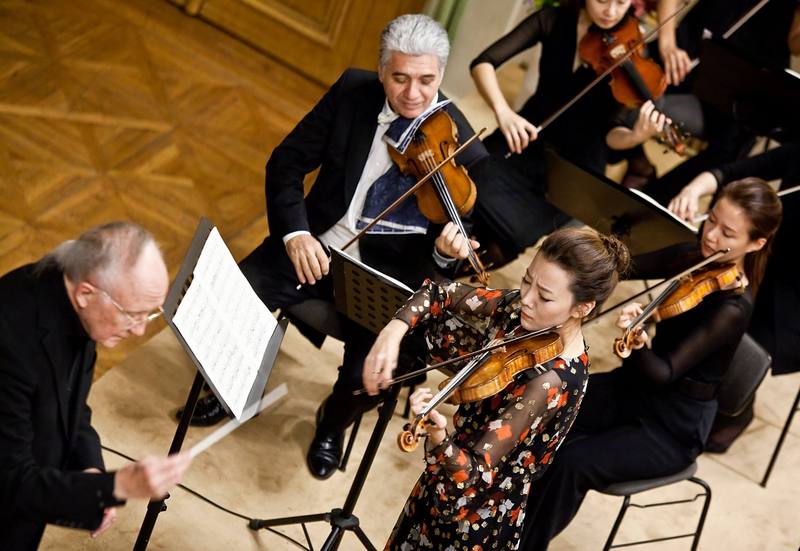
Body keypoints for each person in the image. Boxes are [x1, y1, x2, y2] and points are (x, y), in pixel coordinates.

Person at [182, 14, 491, 481]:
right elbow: (285, 163)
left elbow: (448, 250)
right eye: (400, 78)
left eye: (427, 81)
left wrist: (448, 253)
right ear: (382, 69)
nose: (412, 94)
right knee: (234, 294)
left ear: (441, 75)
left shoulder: (460, 142)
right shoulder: (353, 93)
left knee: (374, 374)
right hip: (316, 245)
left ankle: (332, 423)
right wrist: (295, 234)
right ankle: (231, 387)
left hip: (385, 280)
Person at [520, 178, 782, 549]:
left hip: (671, 427)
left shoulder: (733, 307)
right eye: (711, 220)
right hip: (632, 390)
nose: (710, 236)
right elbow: (629, 267)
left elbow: (664, 373)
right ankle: (501, 519)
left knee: (572, 462)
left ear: (755, 244)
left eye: (728, 233)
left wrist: (640, 343)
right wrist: (578, 273)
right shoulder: (696, 255)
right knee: (545, 408)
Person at [364, 227, 630, 549]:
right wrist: (393, 331)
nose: (527, 299)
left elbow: (474, 474)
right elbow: (441, 294)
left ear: (582, 308)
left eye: (544, 296)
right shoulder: (523, 315)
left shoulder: (550, 383)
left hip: (478, 515)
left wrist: (438, 436)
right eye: (527, 280)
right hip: (443, 481)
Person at [0, 222, 193, 551]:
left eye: (148, 315)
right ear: (86, 293)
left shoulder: (80, 302)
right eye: (132, 315)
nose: (138, 332)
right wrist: (116, 485)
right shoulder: (9, 342)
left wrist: (89, 468)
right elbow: (12, 483)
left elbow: (71, 404)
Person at [468, 0, 694, 267]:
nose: (610, 12)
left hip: (572, 169)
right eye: (602, 1)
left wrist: (635, 137)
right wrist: (503, 111)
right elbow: (483, 62)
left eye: (621, 3)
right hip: (526, 136)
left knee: (507, 240)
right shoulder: (553, 19)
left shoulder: (632, 49)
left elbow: (611, 135)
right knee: (466, 189)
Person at [668, 143, 799, 450]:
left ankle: (737, 411)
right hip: (759, 261)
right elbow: (730, 173)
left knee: (732, 336)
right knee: (701, 308)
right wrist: (693, 190)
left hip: (792, 304)